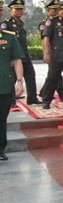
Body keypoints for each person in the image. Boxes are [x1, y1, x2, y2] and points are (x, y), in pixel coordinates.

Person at [1, 0, 39, 105]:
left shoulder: (21, 23)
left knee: (31, 75)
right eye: (16, 9)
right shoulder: (6, 24)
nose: (19, 11)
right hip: (14, 56)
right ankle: (11, 99)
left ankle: (32, 98)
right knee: (12, 79)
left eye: (21, 9)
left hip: (24, 55)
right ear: (11, 10)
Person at [0, 27, 24, 160]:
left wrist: (19, 81)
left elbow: (17, 60)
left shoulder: (9, 37)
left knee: (1, 118)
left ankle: (0, 148)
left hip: (4, 83)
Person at [39, 0, 63, 103]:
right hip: (52, 53)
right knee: (54, 76)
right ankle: (61, 94)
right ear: (48, 10)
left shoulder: (62, 22)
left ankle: (44, 92)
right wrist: (46, 53)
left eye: (57, 9)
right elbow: (44, 39)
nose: (56, 11)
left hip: (61, 53)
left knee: (53, 76)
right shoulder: (45, 23)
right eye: (53, 9)